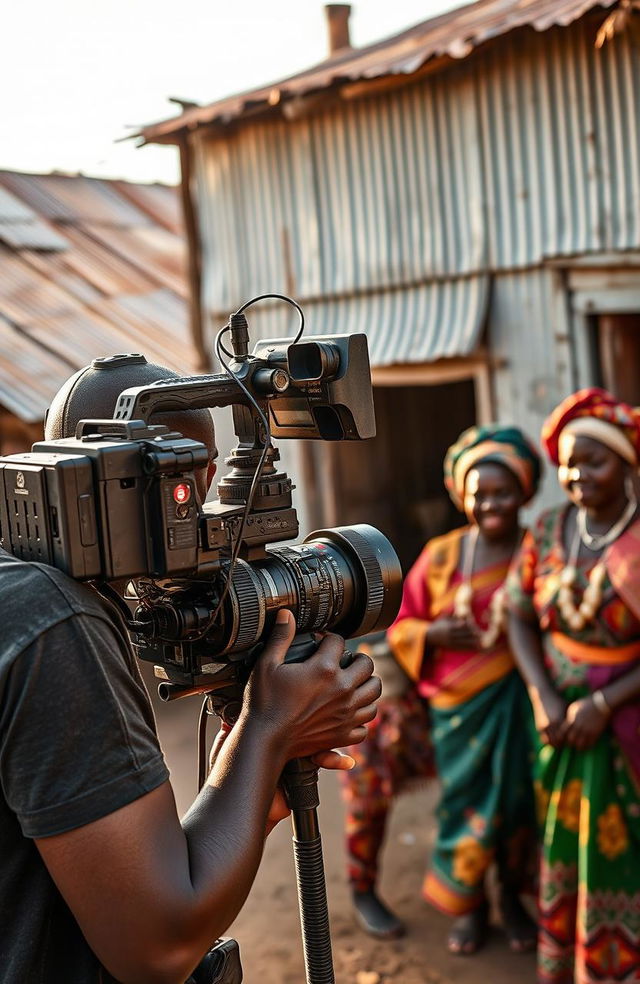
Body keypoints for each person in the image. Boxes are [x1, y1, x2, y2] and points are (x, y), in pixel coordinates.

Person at [0, 355, 381, 984]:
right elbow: (160, 945)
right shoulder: (53, 623)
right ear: (198, 477)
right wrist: (269, 729)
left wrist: (248, 781)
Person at [387, 424, 541, 956]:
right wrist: (431, 632)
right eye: (480, 494)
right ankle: (469, 908)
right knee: (466, 806)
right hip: (457, 712)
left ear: (524, 492)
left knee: (518, 809)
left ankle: (512, 899)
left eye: (502, 492)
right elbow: (401, 623)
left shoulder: (539, 550)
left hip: (520, 704)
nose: (491, 503)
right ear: (462, 497)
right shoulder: (443, 554)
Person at [506, 388, 640, 984]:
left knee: (623, 846)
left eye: (595, 460)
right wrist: (544, 696)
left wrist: (604, 703)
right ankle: (570, 958)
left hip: (626, 725)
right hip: (557, 720)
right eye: (568, 461)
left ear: (627, 464)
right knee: (562, 839)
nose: (576, 473)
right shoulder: (548, 528)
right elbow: (516, 613)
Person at [339, 632, 434, 940]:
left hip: (435, 690)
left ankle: (475, 893)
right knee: (366, 804)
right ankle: (362, 889)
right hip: (367, 699)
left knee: (473, 788)